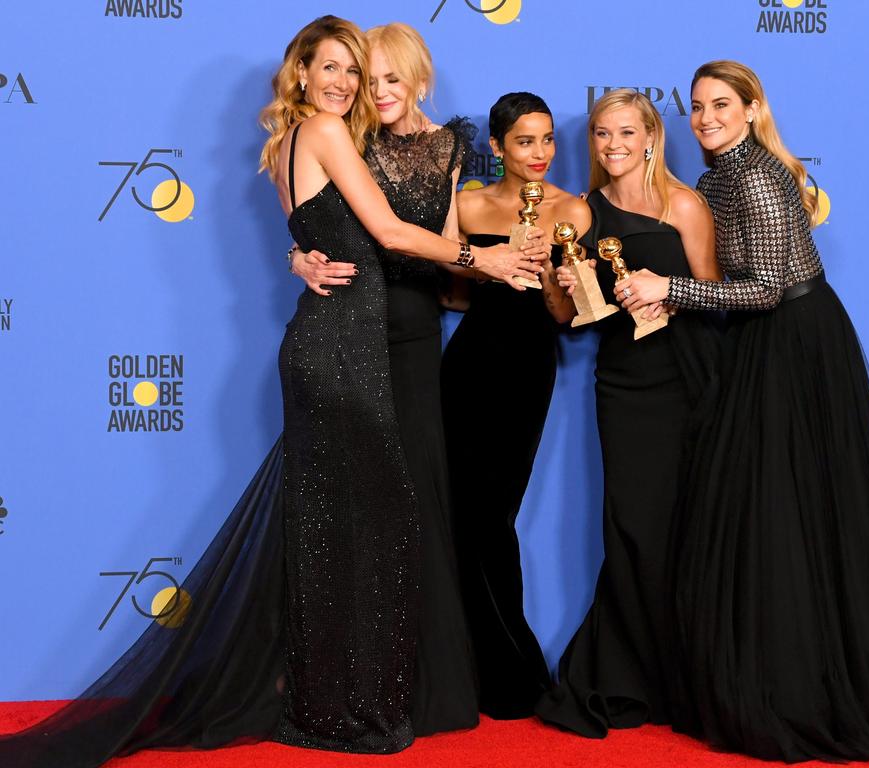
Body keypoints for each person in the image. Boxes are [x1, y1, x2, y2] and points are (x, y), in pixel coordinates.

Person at [0, 17, 541, 767]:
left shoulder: (303, 141)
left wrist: (311, 257)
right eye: (333, 69)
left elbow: (343, 230)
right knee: (354, 528)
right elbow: (385, 231)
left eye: (356, 72)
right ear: (301, 73)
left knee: (351, 530)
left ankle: (351, 692)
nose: (347, 84)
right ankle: (347, 700)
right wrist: (485, 258)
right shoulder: (323, 131)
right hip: (343, 344)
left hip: (339, 335)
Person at [615, 60, 869, 764]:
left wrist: (673, 289)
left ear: (753, 109)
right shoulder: (724, 173)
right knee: (775, 512)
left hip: (794, 343)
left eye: (721, 104)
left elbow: (769, 291)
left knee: (780, 510)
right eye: (695, 106)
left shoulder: (751, 175)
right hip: (769, 345)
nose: (705, 117)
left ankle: (797, 690)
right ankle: (783, 678)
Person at [288, 22, 553, 737]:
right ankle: (371, 679)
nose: (373, 93)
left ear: (419, 81)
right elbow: (339, 222)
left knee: (421, 502)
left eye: (388, 81)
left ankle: (428, 681)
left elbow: (434, 249)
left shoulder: (451, 146)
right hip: (354, 326)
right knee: (368, 505)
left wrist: (496, 260)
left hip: (414, 329)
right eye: (364, 80)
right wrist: (300, 257)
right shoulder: (346, 134)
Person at [535, 89, 722, 737]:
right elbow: (566, 320)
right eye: (600, 134)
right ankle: (634, 675)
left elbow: (718, 296)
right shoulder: (582, 213)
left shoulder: (686, 204)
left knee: (694, 528)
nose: (612, 145)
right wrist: (564, 285)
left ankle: (699, 673)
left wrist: (667, 295)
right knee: (635, 526)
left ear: (650, 137)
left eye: (624, 132)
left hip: (691, 381)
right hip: (624, 387)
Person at [442, 91, 584, 718]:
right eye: (524, 141)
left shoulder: (571, 210)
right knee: (457, 512)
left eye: (548, 139)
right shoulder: (469, 203)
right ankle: (460, 666)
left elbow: (567, 313)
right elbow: (449, 296)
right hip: (469, 364)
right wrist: (487, 266)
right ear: (496, 147)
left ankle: (511, 670)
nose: (540, 154)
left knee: (493, 514)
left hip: (528, 365)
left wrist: (551, 273)